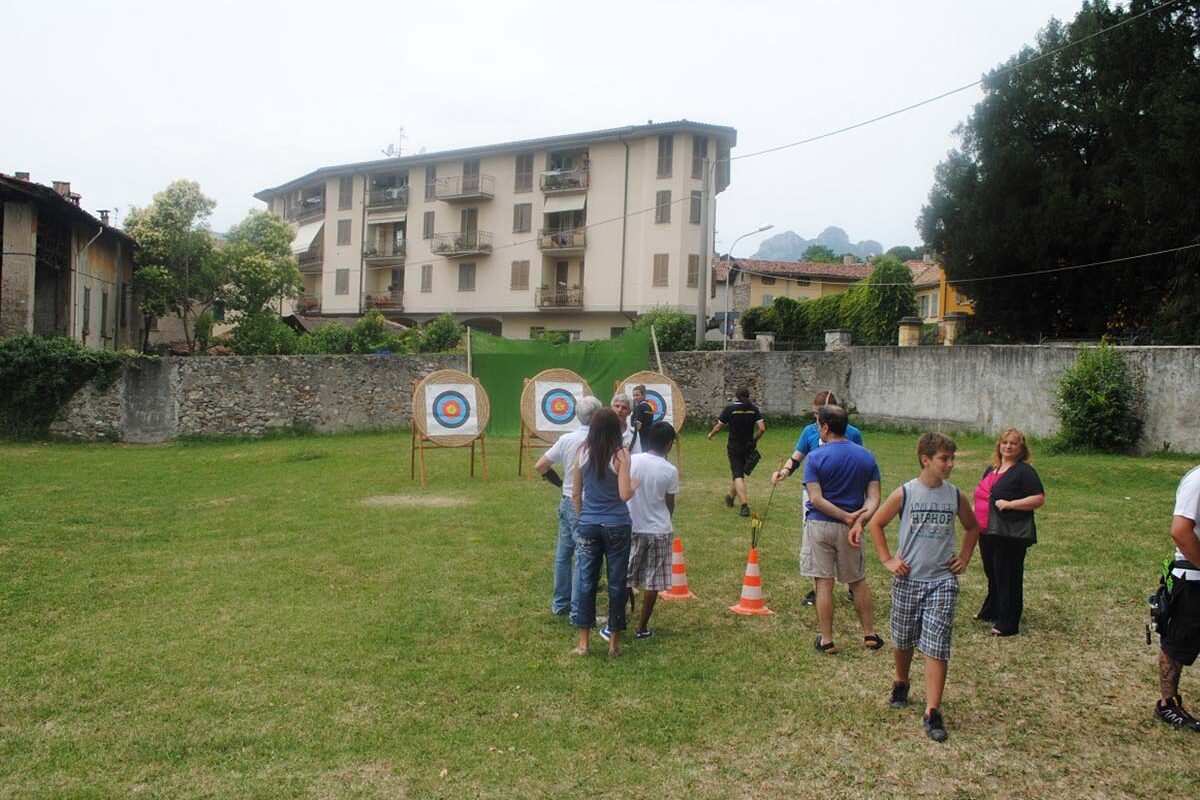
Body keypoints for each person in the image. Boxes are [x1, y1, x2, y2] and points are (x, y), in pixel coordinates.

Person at [867, 433, 980, 743]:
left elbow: (972, 527)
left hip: (942, 582)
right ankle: (901, 681)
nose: (950, 464)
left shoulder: (955, 496)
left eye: (952, 459)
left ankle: (932, 711)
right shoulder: (906, 493)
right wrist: (888, 559)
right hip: (908, 580)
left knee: (936, 642)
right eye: (945, 458)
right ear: (925, 459)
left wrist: (965, 557)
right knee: (902, 637)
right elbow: (876, 523)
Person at [772, 405, 881, 654]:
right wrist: (858, 520)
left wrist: (844, 517)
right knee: (858, 582)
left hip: (820, 525)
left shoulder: (816, 458)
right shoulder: (866, 456)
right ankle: (869, 634)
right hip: (851, 529)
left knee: (823, 584)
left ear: (825, 427)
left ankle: (827, 640)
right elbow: (874, 497)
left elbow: (816, 498)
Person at [783, 391, 865, 606]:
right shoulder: (809, 431)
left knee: (849, 541)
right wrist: (784, 472)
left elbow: (858, 461)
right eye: (814, 414)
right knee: (815, 543)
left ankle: (852, 586)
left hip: (844, 496)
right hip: (815, 496)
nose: (816, 420)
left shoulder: (852, 433)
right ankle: (817, 588)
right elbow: (797, 456)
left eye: (819, 414)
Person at [570, 407, 635, 657]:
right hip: (617, 525)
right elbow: (624, 494)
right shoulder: (621, 455)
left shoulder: (582, 452)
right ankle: (613, 644)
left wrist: (581, 517)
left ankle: (584, 643)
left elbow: (576, 493)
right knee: (617, 583)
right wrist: (635, 486)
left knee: (587, 581)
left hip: (589, 524)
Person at [972, 428, 1045, 637]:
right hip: (986, 531)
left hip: (1008, 534)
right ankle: (991, 610)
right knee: (992, 572)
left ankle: (1008, 622)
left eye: (1013, 443)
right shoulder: (991, 469)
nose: (1008, 447)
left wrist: (1012, 504)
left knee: (1008, 575)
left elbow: (1039, 498)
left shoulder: (1024, 471)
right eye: (1005, 442)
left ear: (1021, 448)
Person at [535, 396, 603, 617]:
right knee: (584, 556)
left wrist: (561, 484)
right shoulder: (600, 441)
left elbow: (541, 466)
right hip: (586, 504)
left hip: (566, 501)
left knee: (564, 554)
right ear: (597, 417)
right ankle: (577, 609)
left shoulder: (567, 439)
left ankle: (560, 604)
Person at [612, 421, 679, 641]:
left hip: (631, 526)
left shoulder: (633, 461)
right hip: (659, 529)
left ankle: (616, 623)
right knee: (654, 581)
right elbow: (670, 503)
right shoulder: (670, 470)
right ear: (669, 445)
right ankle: (641, 627)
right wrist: (665, 519)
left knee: (624, 577)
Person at [1154, 463, 1200, 731]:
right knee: (1178, 643)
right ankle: (1167, 704)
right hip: (1192, 577)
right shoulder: (1197, 480)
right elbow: (1180, 530)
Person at [707, 386, 765, 517]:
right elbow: (762, 428)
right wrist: (755, 439)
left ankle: (744, 506)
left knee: (738, 475)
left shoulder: (730, 409)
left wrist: (711, 434)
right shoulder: (753, 409)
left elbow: (718, 427)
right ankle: (730, 498)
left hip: (734, 447)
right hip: (748, 447)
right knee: (738, 473)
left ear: (736, 396)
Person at [628, 384, 653, 454]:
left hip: (640, 439)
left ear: (643, 395)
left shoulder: (640, 407)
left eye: (637, 395)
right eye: (633, 395)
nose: (635, 397)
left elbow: (637, 426)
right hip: (647, 437)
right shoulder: (648, 406)